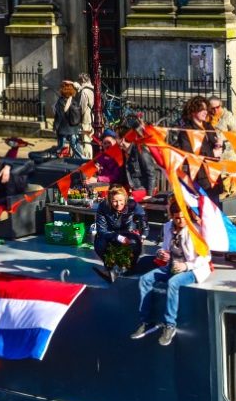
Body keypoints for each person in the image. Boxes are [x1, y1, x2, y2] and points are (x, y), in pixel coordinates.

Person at [130, 198, 212, 346]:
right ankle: (146, 321)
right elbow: (165, 248)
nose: (180, 221)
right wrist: (161, 253)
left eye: (182, 217)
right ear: (172, 217)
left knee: (173, 283)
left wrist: (186, 266)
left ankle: (170, 325)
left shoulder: (196, 230)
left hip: (193, 268)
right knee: (145, 279)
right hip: (172, 266)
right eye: (177, 218)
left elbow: (206, 256)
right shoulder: (167, 226)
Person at [172, 95, 224, 203]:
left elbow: (215, 145)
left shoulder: (208, 126)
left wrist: (220, 145)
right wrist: (212, 154)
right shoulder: (187, 131)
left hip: (214, 175)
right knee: (204, 213)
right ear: (193, 111)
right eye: (201, 110)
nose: (205, 112)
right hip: (200, 178)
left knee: (216, 212)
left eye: (206, 109)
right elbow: (190, 156)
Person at [94, 185, 148, 278]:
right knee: (100, 243)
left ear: (125, 199)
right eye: (115, 201)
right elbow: (102, 230)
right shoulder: (103, 206)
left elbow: (143, 215)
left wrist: (143, 235)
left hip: (127, 231)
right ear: (110, 200)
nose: (118, 204)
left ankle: (130, 268)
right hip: (109, 233)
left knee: (135, 242)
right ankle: (109, 268)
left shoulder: (132, 204)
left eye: (121, 201)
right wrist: (118, 237)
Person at [208, 95, 236, 163]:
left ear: (221, 105)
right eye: (212, 108)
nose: (215, 110)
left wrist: (221, 138)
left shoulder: (227, 115)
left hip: (227, 153)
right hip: (212, 153)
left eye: (217, 107)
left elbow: (235, 133)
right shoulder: (207, 117)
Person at [52, 81, 82, 156]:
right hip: (74, 128)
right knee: (75, 147)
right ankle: (81, 160)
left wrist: (55, 127)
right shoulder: (74, 101)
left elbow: (59, 116)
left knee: (61, 147)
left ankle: (57, 160)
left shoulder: (60, 102)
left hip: (63, 129)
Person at [74, 74, 95, 158]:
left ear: (82, 80)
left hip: (86, 117)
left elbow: (82, 106)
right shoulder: (92, 88)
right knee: (89, 137)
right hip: (91, 115)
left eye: (80, 80)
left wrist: (77, 116)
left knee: (86, 139)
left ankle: (87, 158)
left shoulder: (84, 91)